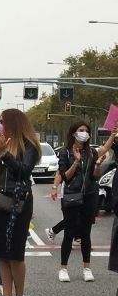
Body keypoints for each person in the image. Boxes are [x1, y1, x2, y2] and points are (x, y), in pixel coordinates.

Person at [0, 108, 41, 296]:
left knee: (15, 253)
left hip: (18, 200)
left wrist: (5, 153)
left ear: (13, 123)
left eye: (2, 121)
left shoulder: (29, 145)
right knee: (0, 252)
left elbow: (23, 171)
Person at [55, 121, 102, 283]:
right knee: (69, 233)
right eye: (81, 130)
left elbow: (95, 177)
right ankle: (63, 268)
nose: (85, 133)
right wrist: (75, 161)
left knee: (86, 234)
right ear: (73, 133)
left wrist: (97, 166)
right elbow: (66, 177)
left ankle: (87, 268)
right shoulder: (64, 152)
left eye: (87, 131)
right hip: (71, 196)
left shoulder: (92, 152)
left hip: (89, 196)